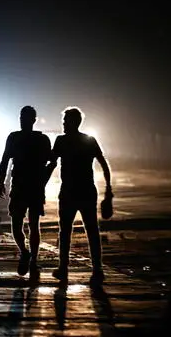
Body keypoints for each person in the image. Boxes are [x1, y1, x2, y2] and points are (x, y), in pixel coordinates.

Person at [50, 107, 112, 286]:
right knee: (92, 230)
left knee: (66, 231)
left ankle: (63, 268)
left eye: (65, 121)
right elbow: (104, 164)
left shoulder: (61, 141)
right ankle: (97, 269)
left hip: (70, 191)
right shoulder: (89, 140)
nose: (62, 124)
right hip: (86, 190)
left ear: (72, 122)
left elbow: (51, 162)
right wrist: (108, 189)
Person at [0, 106, 55, 279]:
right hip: (26, 185)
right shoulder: (20, 138)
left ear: (32, 120)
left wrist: (43, 180)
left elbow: (52, 162)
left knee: (32, 224)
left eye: (25, 118)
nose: (23, 120)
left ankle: (32, 259)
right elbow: (5, 160)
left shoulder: (37, 139)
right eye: (22, 117)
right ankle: (25, 253)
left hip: (30, 186)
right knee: (19, 224)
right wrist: (1, 182)